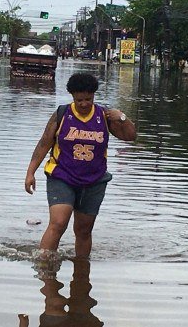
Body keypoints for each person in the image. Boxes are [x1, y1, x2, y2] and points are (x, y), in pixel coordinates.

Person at [24, 73, 136, 259]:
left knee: (84, 230)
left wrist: (122, 117)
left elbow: (130, 136)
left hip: (94, 180)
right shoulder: (62, 114)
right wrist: (30, 173)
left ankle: (82, 267)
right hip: (62, 176)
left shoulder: (105, 116)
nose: (84, 104)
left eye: (88, 99)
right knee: (58, 223)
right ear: (72, 97)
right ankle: (43, 265)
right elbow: (44, 143)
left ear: (93, 96)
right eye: (79, 100)